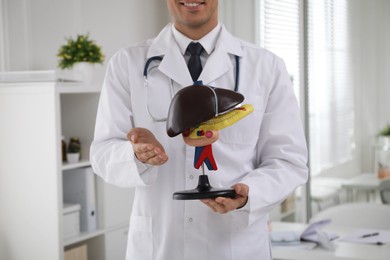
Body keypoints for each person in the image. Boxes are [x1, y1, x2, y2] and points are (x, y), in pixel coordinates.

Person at [90, 0, 308, 259]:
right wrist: (135, 154)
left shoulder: (267, 67)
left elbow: (288, 161)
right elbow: (102, 153)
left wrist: (249, 195)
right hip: (161, 246)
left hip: (234, 247)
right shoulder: (127, 63)